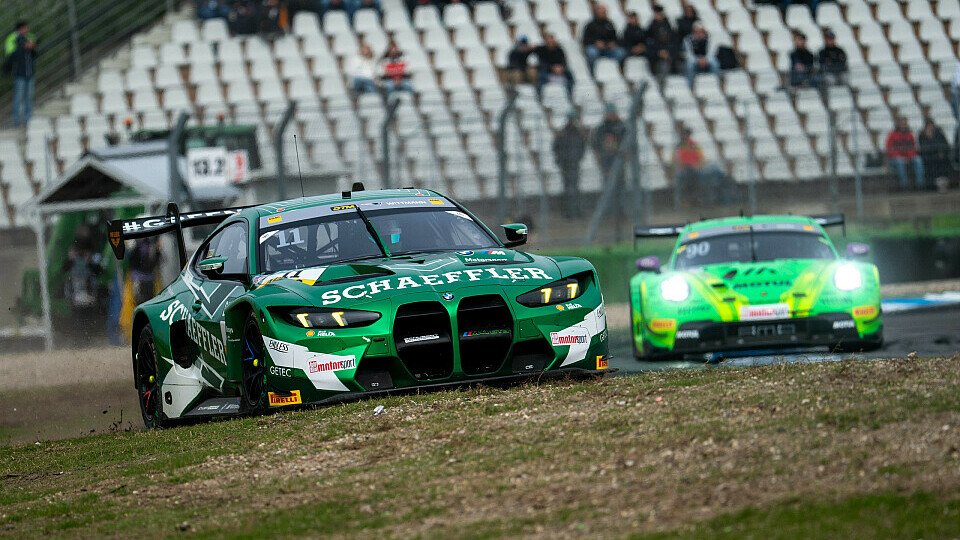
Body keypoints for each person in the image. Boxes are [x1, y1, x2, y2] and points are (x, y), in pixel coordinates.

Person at [673, 127, 728, 207]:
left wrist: (698, 165)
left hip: (696, 168)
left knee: (713, 169)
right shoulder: (679, 147)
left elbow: (701, 159)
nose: (687, 137)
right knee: (690, 173)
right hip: (685, 170)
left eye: (688, 135)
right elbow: (677, 162)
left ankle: (711, 198)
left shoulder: (694, 145)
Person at [552, 111, 586, 218]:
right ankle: (568, 212)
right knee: (568, 188)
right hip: (566, 165)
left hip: (574, 164)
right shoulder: (563, 133)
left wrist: (578, 157)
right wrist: (560, 160)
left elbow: (582, 147)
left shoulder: (576, 134)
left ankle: (575, 211)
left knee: (574, 188)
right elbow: (555, 148)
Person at [4, 21, 37, 127]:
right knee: (18, 98)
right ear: (19, 29)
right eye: (24, 28)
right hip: (19, 74)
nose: (26, 30)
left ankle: (28, 120)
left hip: (30, 73)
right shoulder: (12, 39)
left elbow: (35, 53)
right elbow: (11, 56)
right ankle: (16, 121)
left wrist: (32, 48)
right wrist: (23, 47)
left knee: (29, 97)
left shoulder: (30, 37)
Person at [581, 4, 624, 74]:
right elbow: (585, 40)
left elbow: (615, 38)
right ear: (596, 13)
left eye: (604, 12)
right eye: (601, 12)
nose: (603, 14)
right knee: (591, 53)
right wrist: (595, 43)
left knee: (620, 53)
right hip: (595, 48)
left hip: (607, 49)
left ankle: (618, 73)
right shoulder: (590, 25)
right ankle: (592, 73)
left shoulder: (610, 24)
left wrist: (613, 43)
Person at [885, 117, 925, 191]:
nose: (903, 125)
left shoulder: (910, 135)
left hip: (908, 157)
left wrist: (908, 157)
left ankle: (920, 185)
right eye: (901, 123)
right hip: (895, 159)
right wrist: (900, 157)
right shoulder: (892, 135)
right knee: (900, 162)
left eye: (904, 123)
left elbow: (913, 148)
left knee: (918, 160)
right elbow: (890, 149)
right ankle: (904, 186)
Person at [532, 33, 573, 99]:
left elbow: (564, 61)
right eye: (549, 40)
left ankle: (570, 95)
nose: (550, 41)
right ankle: (539, 96)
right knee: (541, 76)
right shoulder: (541, 49)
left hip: (559, 68)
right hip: (547, 69)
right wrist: (552, 68)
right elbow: (542, 62)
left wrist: (561, 67)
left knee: (570, 75)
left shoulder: (559, 50)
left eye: (552, 39)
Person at [682, 22, 719, 89]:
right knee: (689, 65)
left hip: (707, 59)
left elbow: (712, 52)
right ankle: (690, 87)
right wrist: (698, 60)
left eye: (700, 31)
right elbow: (688, 54)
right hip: (694, 60)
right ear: (693, 31)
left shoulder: (710, 38)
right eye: (696, 31)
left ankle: (717, 85)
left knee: (715, 63)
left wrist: (705, 59)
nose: (698, 33)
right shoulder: (687, 40)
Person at [917, 119, 951, 188]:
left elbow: (945, 145)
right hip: (928, 156)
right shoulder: (922, 136)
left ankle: (944, 180)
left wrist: (941, 152)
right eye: (928, 126)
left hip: (940, 155)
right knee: (931, 162)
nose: (930, 127)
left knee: (944, 161)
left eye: (931, 126)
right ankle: (934, 183)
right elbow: (923, 148)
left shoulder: (939, 134)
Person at [645, 4, 676, 77]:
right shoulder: (650, 29)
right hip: (656, 58)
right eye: (657, 13)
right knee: (663, 67)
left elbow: (674, 43)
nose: (658, 15)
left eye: (660, 13)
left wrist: (668, 53)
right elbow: (649, 45)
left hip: (669, 55)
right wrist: (658, 53)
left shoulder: (669, 26)